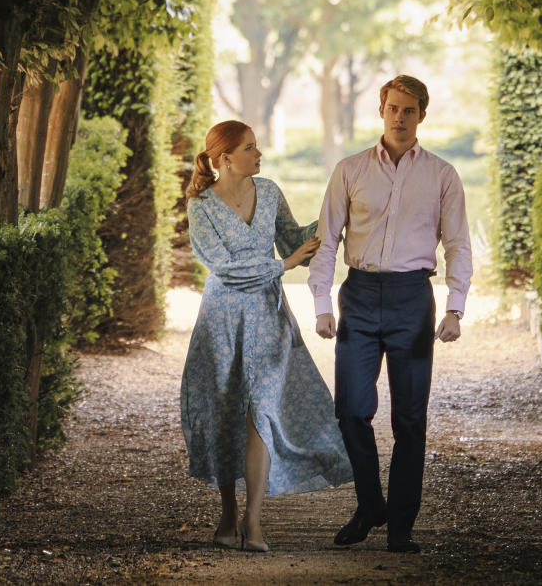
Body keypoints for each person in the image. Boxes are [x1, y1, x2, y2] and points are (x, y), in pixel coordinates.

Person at [308, 75, 474, 553]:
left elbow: (458, 245)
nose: (400, 118)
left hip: (411, 299)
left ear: (423, 114)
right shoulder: (349, 170)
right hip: (358, 296)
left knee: (410, 420)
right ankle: (369, 506)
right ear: (381, 111)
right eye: (393, 109)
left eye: (409, 110)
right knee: (351, 412)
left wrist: (455, 308)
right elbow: (327, 240)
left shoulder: (442, 176)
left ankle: (400, 525)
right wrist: (321, 305)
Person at [181, 120, 353, 553]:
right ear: (224, 159)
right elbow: (223, 268)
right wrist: (284, 264)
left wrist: (338, 217)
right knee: (226, 413)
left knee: (261, 412)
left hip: (267, 315)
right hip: (222, 318)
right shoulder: (200, 205)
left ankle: (254, 520)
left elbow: (293, 239)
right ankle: (225, 514)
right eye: (250, 148)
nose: (260, 155)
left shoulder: (270, 191)